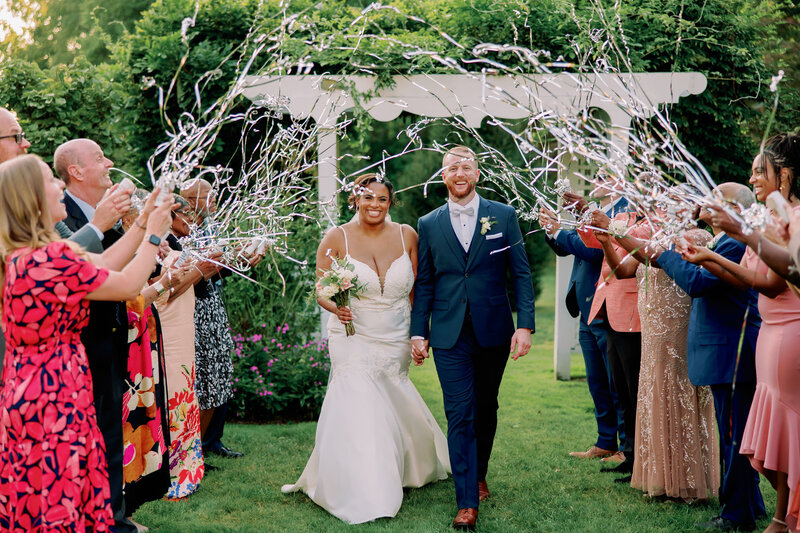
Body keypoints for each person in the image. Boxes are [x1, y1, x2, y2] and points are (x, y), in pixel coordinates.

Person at [0, 154, 172, 531]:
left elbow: (105, 262)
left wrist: (142, 224)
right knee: (60, 500)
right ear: (31, 198)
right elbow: (126, 284)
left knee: (44, 499)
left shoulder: (25, 258)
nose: (60, 185)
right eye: (51, 179)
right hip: (53, 400)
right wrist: (155, 234)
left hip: (36, 392)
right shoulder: (48, 258)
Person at [282, 173, 450, 524]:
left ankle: (407, 465)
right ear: (355, 199)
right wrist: (335, 306)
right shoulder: (337, 237)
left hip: (396, 333)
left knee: (391, 395)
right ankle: (366, 488)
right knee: (360, 400)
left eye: (382, 199)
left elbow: (418, 291)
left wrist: (421, 334)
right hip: (351, 333)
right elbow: (321, 288)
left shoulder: (408, 235)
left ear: (391, 203)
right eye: (368, 197)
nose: (375, 204)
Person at [410, 146, 535, 530]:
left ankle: (479, 472)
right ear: (442, 176)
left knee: (485, 408)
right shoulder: (428, 223)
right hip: (449, 333)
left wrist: (525, 324)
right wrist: (419, 331)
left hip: (493, 328)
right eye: (452, 168)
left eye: (466, 167)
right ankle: (466, 501)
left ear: (477, 174)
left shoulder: (504, 215)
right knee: (459, 413)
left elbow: (521, 274)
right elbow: (426, 282)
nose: (459, 173)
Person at [681, 141, 800, 533]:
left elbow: (785, 274)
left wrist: (741, 232)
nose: (751, 178)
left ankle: (786, 517)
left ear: (784, 175)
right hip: (769, 336)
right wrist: (710, 257)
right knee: (777, 440)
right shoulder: (769, 218)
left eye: (758, 171)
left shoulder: (795, 218)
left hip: (790, 334)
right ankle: (783, 518)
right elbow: (762, 282)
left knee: (789, 433)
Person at [53, 137, 143, 533]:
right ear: (76, 171)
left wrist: (140, 227)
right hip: (78, 345)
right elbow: (105, 272)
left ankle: (113, 517)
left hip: (110, 336)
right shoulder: (61, 218)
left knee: (108, 429)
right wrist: (144, 229)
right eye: (99, 157)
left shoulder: (101, 212)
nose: (109, 162)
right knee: (88, 438)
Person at [0, 108, 126, 373]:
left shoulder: (29, 204)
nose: (26, 143)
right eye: (15, 137)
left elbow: (76, 256)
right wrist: (99, 225)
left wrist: (142, 226)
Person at [538, 178, 627, 462]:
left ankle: (626, 447)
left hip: (609, 308)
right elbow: (568, 249)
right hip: (586, 305)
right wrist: (554, 231)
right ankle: (605, 440)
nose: (595, 181)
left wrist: (559, 230)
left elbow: (594, 250)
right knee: (596, 379)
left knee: (617, 381)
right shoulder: (592, 212)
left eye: (602, 176)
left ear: (619, 180)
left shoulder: (624, 212)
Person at [577, 207, 644, 482]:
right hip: (608, 306)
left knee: (634, 389)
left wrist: (611, 230)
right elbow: (592, 240)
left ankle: (639, 457)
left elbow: (633, 255)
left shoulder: (655, 223)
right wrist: (582, 214)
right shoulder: (625, 216)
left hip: (634, 311)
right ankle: (629, 455)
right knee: (621, 389)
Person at [179, 179, 241, 460]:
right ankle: (198, 444)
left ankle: (213, 439)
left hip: (214, 302)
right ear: (191, 200)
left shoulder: (211, 227)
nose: (215, 200)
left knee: (220, 366)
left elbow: (217, 268)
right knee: (205, 372)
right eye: (209, 196)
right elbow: (193, 271)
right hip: (197, 307)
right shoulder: (183, 231)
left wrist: (240, 261)